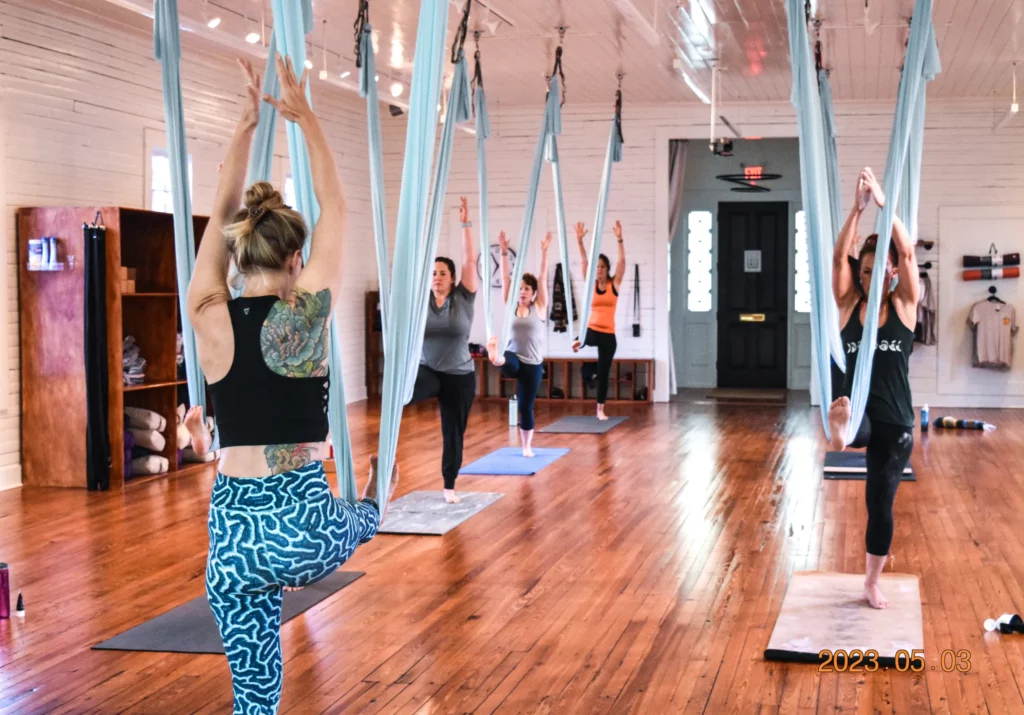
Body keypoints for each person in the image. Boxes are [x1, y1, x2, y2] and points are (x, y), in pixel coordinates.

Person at [184, 56, 398, 714]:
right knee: (371, 510)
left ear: (240, 252)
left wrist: (244, 128)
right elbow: (337, 204)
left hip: (231, 548)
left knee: (255, 698)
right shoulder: (304, 314)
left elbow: (220, 208)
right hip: (304, 535)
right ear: (295, 259)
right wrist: (305, 119)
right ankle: (366, 511)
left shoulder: (206, 314)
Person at [827, 167, 919, 611]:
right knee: (852, 424)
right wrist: (856, 211)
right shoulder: (850, 307)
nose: (872, 277)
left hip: (897, 423)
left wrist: (885, 203)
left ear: (892, 272)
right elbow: (836, 258)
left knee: (879, 504)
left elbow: (908, 251)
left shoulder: (904, 306)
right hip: (860, 412)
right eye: (864, 271)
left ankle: (871, 582)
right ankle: (841, 433)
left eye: (880, 269)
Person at [407, 197, 479, 504]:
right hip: (429, 371)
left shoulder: (464, 297)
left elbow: (469, 262)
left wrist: (465, 225)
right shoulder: (420, 301)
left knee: (453, 433)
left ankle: (449, 487)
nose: (436, 277)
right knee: (405, 391)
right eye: (433, 273)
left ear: (452, 278)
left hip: (459, 376)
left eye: (442, 273)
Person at [485, 230, 552, 457]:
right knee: (506, 359)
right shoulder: (510, 305)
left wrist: (544, 252)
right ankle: (496, 357)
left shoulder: (540, 308)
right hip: (514, 358)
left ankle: (526, 447)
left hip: (533, 365)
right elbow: (505, 279)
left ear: (534, 294)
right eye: (520, 288)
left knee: (525, 406)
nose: (522, 291)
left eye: (526, 289)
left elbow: (543, 278)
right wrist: (503, 253)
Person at [571, 219, 626, 420]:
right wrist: (579, 242)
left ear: (607, 269)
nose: (599, 269)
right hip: (593, 330)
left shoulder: (614, 285)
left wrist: (619, 239)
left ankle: (600, 410)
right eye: (598, 267)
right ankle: (579, 340)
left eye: (603, 266)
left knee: (604, 373)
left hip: (608, 334)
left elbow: (622, 264)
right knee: (586, 336)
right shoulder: (591, 285)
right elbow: (585, 264)